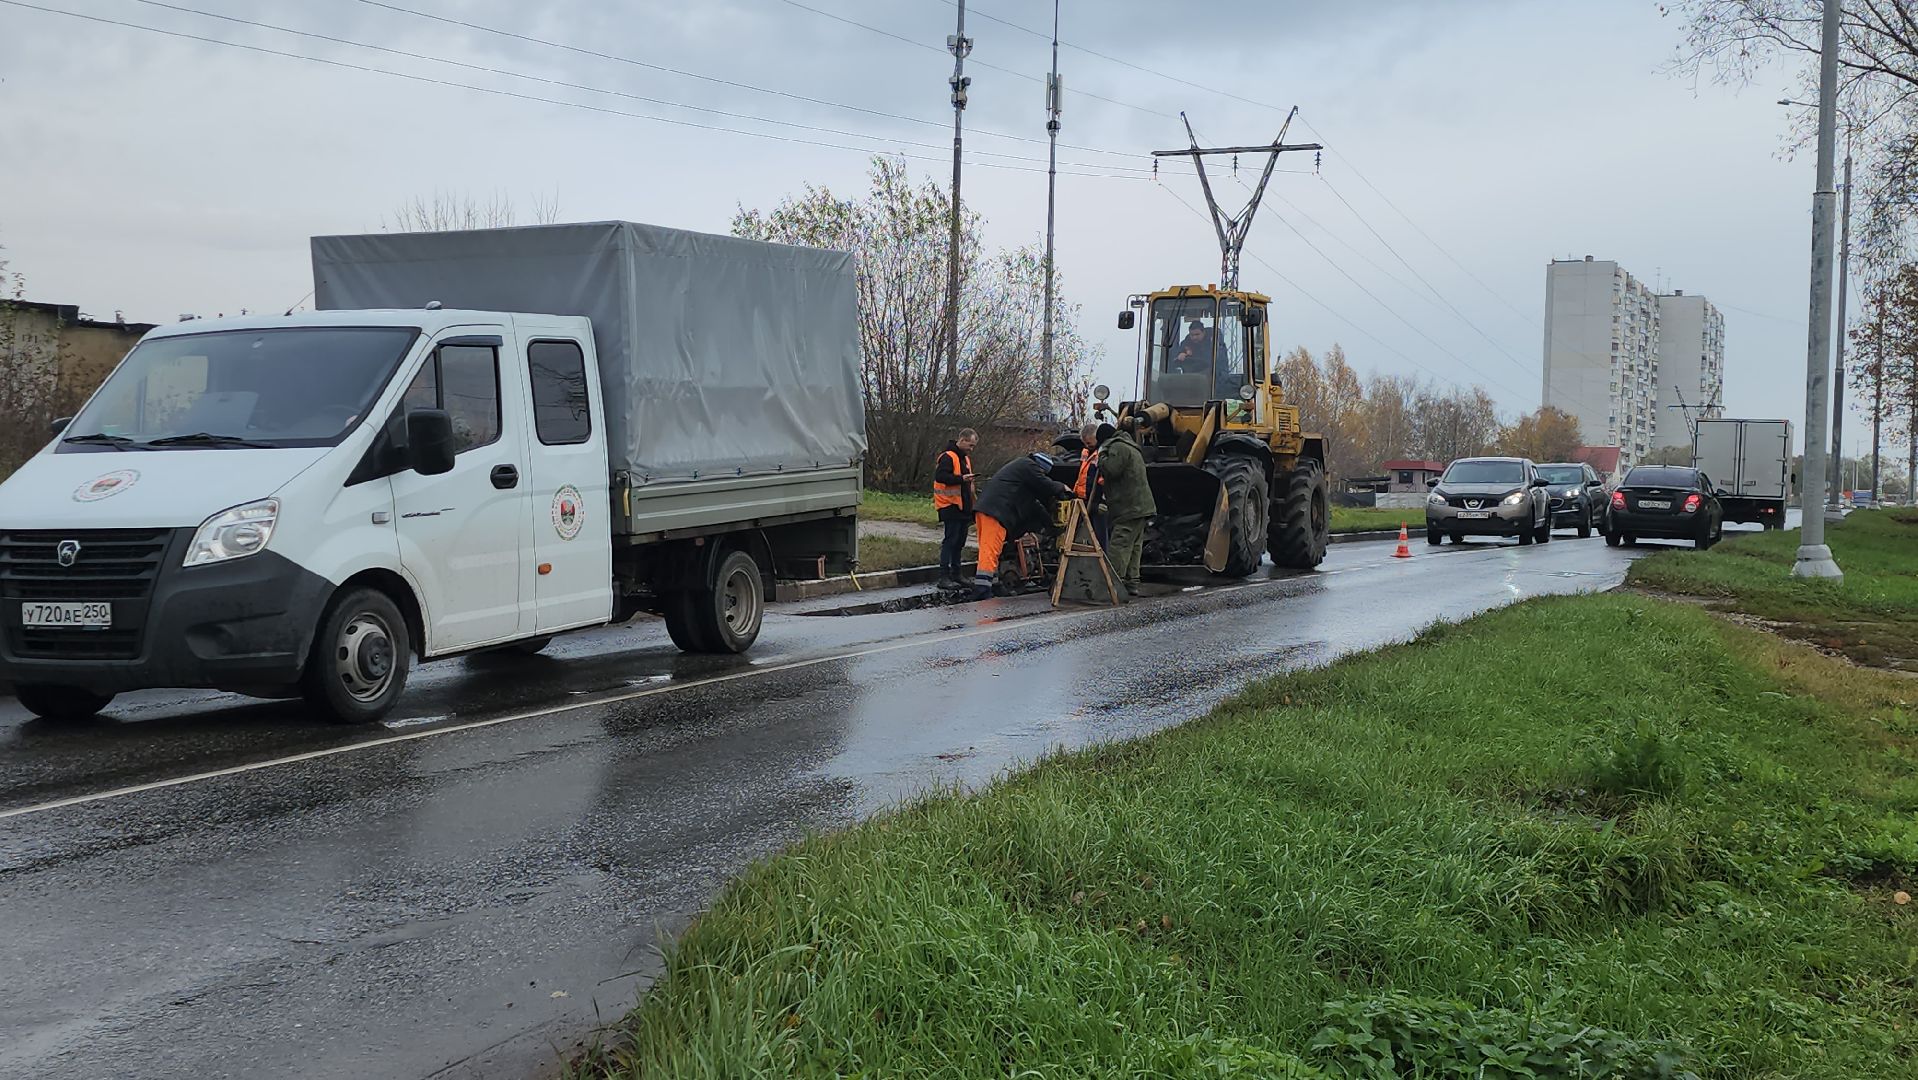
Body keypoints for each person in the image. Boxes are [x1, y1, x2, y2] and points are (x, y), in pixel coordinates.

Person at [972, 451, 1071, 599]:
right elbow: (1044, 483)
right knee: (990, 552)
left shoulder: (1021, 472)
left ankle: (993, 585)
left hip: (988, 510)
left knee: (992, 551)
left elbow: (1034, 505)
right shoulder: (1027, 465)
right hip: (995, 511)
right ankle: (982, 591)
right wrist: (1062, 487)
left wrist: (1050, 525)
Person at [1095, 419, 1154, 596]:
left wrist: (1101, 456)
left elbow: (1111, 469)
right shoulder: (1130, 446)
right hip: (1141, 506)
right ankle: (1131, 583)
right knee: (1134, 546)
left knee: (1119, 545)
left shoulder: (1117, 447)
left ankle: (1113, 583)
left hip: (1129, 507)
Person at [931, 428, 979, 588]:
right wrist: (961, 479)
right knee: (950, 541)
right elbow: (941, 477)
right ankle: (944, 577)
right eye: (970, 445)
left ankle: (957, 574)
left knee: (959, 542)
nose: (971, 449)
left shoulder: (965, 459)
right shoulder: (948, 457)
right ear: (962, 440)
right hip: (949, 505)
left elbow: (967, 484)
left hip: (963, 506)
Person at [1074, 422, 1109, 549]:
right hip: (1084, 500)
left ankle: (1103, 562)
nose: (1087, 446)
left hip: (1097, 502)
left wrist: (1102, 501)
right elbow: (1081, 475)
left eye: (1089, 443)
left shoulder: (1103, 454)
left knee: (1099, 538)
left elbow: (1104, 480)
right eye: (1085, 443)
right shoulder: (1086, 452)